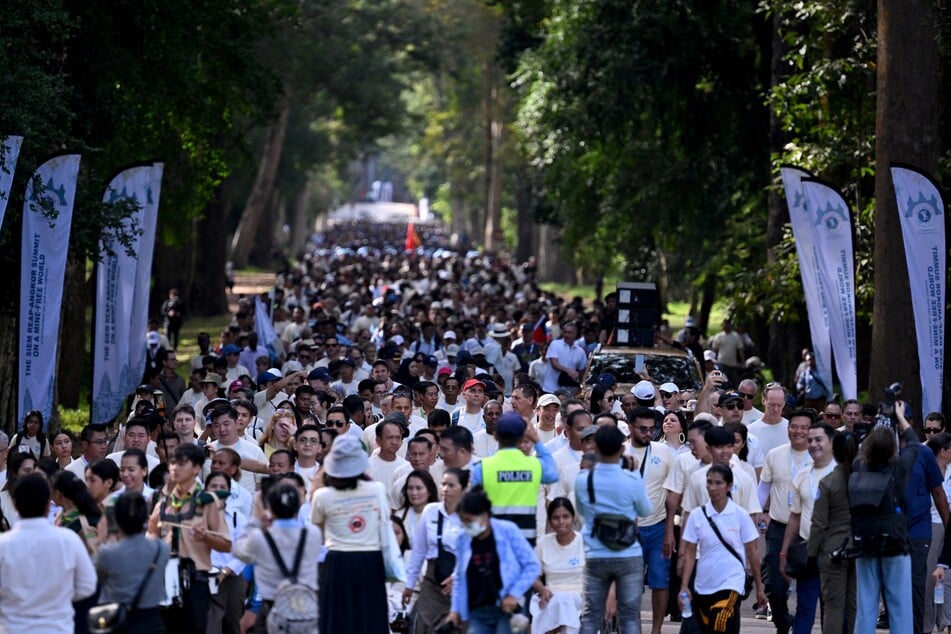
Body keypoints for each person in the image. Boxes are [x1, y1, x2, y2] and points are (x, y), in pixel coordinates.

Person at [311, 434, 392, 634]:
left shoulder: (322, 496)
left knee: (338, 619)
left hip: (337, 561)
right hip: (370, 560)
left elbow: (317, 531)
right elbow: (384, 518)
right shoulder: (377, 489)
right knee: (369, 617)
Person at [575, 425, 652, 634]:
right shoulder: (631, 479)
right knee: (629, 617)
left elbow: (581, 510)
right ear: (621, 448)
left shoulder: (584, 480)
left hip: (595, 553)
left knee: (590, 615)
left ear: (596, 448)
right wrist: (634, 472)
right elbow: (645, 510)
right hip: (628, 553)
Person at [148, 443, 232, 634]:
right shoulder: (163, 501)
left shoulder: (207, 501)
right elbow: (151, 532)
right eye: (172, 463)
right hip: (165, 577)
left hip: (194, 579)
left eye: (182, 463)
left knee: (193, 629)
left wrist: (206, 538)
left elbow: (226, 544)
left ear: (196, 468)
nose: (174, 468)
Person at [0, 473, 97, 632]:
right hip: (58, 627)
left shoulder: (3, 545)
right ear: (48, 505)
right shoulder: (68, 540)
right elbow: (87, 585)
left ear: (15, 505)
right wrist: (59, 597)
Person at [852, 408, 919, 633]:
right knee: (899, 604)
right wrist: (900, 418)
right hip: (894, 542)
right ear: (893, 448)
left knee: (866, 605)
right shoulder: (899, 468)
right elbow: (914, 443)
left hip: (865, 542)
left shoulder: (859, 467)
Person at [679, 464, 767, 634]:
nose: (713, 488)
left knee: (719, 623)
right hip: (703, 584)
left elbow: (753, 551)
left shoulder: (740, 515)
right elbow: (690, 552)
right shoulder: (697, 515)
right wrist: (684, 586)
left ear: (728, 486)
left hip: (731, 582)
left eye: (718, 483)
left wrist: (759, 587)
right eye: (709, 483)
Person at [444, 487, 541, 633]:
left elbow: (532, 566)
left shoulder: (508, 531)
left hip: (506, 609)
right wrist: (455, 610)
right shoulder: (463, 539)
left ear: (485, 516)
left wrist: (513, 594)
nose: (465, 526)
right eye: (462, 521)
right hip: (477, 611)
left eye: (469, 521)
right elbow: (459, 577)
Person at [235, 480, 322, 634]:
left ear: (270, 508)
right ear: (298, 506)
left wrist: (256, 517)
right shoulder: (312, 535)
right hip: (306, 609)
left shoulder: (259, 538)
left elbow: (239, 550)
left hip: (271, 608)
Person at [780, 420, 837, 634]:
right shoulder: (803, 475)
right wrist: (785, 551)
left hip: (835, 554)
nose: (813, 444)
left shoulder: (843, 473)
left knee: (832, 609)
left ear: (831, 442)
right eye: (810, 440)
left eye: (818, 439)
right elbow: (795, 516)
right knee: (804, 608)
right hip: (807, 551)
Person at [470, 412, 558, 544]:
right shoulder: (534, 465)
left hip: (494, 541)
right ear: (523, 436)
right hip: (525, 541)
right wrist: (537, 440)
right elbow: (553, 474)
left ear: (495, 435)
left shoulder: (482, 468)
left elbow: (471, 509)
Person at [402, 468, 468, 633]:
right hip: (432, 579)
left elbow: (475, 551)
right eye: (443, 484)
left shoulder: (471, 515)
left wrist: (457, 576)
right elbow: (419, 551)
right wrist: (409, 585)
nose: (446, 489)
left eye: (451, 485)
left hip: (460, 582)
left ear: (464, 489)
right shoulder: (431, 511)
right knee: (424, 624)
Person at [96, 492, 171, 634]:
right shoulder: (162, 549)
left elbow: (98, 579)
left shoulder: (108, 553)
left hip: (118, 621)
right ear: (145, 518)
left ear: (116, 519)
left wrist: (102, 540)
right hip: (153, 620)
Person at [809, 430, 858, 634]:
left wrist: (811, 554)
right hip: (859, 548)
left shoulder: (828, 482)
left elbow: (818, 524)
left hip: (833, 549)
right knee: (854, 605)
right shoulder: (864, 481)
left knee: (833, 606)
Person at [529, 497, 584, 634]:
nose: (561, 522)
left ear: (573, 518)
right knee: (558, 601)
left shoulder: (584, 543)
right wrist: (542, 589)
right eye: (556, 518)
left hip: (578, 597)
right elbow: (533, 576)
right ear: (550, 521)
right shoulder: (543, 543)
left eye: (566, 517)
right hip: (549, 596)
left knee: (564, 601)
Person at [204, 472, 248, 634]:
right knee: (210, 625)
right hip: (204, 576)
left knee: (232, 625)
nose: (217, 490)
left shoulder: (238, 517)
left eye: (222, 487)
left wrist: (226, 571)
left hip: (232, 577)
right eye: (213, 486)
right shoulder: (196, 515)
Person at [0, 452, 36, 529]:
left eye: (34, 470)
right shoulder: (2, 497)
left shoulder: (43, 496)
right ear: (15, 473)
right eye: (27, 470)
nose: (32, 474)